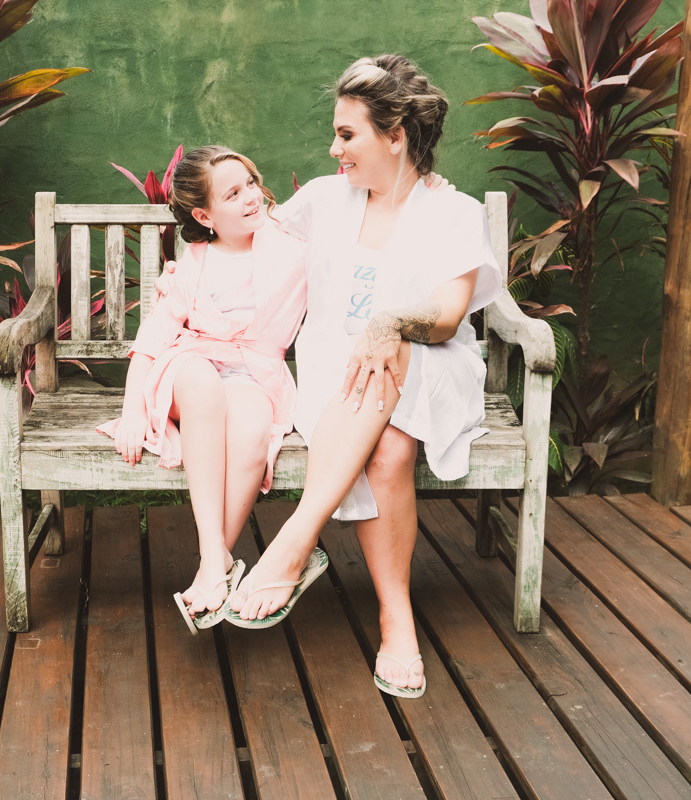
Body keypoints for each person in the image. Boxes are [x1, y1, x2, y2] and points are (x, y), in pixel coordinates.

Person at [225, 55, 502, 699]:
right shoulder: (325, 198)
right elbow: (249, 243)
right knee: (388, 449)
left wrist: (389, 323)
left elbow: (446, 318)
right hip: (335, 370)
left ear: (397, 132)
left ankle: (294, 546)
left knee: (391, 348)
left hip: (431, 363)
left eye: (347, 134)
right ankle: (395, 618)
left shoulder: (453, 213)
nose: (334, 148)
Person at [97, 145, 308, 635]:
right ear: (205, 215)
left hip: (251, 371)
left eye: (251, 183)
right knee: (202, 380)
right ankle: (216, 561)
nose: (252, 197)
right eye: (233, 194)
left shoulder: (289, 247)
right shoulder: (195, 262)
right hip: (187, 367)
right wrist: (132, 410)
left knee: (255, 433)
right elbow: (150, 343)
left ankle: (212, 569)